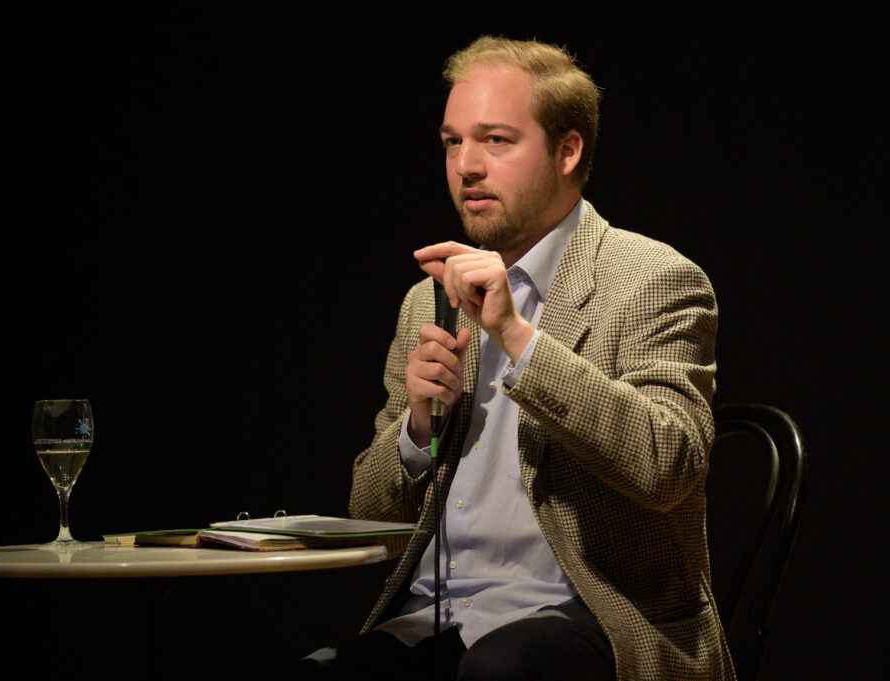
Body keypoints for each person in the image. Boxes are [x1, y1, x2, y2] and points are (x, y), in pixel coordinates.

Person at [290, 36, 734, 681]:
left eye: (496, 140)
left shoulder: (652, 279)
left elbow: (670, 464)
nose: (467, 165)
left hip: (594, 619)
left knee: (503, 671)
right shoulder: (428, 300)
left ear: (567, 150)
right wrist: (417, 429)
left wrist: (518, 337)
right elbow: (369, 519)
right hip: (437, 615)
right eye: (452, 141)